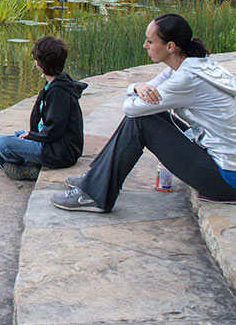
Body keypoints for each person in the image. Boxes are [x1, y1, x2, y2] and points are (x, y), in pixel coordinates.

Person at [51, 14, 236, 212]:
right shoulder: (193, 63)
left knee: (141, 122)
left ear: (170, 46)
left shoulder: (187, 78)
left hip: (226, 179)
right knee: (150, 115)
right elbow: (147, 89)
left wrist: (136, 90)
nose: (144, 46)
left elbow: (131, 108)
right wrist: (137, 86)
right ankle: (94, 179)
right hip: (216, 156)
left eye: (150, 41)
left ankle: (93, 195)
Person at [0, 36, 87, 181]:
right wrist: (32, 135)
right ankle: (28, 164)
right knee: (15, 137)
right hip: (51, 143)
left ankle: (25, 168)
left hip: (60, 151)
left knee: (2, 143)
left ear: (40, 63)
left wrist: (33, 136)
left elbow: (55, 129)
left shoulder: (59, 92)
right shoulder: (55, 83)